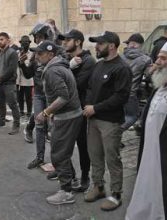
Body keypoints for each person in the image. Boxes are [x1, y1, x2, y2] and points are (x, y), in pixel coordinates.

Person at [126, 42, 167, 220]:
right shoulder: (161, 81)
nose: (157, 61)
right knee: (148, 193)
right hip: (150, 155)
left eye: (163, 58)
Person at [29, 41, 83, 205]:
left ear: (50, 55)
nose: (37, 57)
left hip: (67, 117)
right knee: (62, 151)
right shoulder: (59, 66)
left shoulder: (53, 71)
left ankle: (66, 192)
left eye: (40, 53)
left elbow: (63, 97)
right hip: (67, 116)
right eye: (36, 53)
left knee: (58, 154)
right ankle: (70, 180)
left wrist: (45, 113)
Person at [83, 31, 132, 211]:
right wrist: (88, 104)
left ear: (111, 46)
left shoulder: (121, 68)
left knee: (112, 159)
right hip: (94, 120)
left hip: (110, 122)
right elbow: (90, 88)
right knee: (95, 156)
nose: (96, 46)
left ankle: (116, 194)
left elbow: (121, 97)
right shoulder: (99, 65)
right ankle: (98, 187)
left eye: (100, 44)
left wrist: (95, 108)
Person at [59, 29, 96, 191]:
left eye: (68, 40)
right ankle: (70, 174)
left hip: (80, 109)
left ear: (78, 42)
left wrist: (68, 68)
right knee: (64, 144)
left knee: (82, 144)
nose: (64, 43)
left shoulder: (88, 61)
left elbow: (76, 85)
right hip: (65, 107)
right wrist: (68, 65)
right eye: (63, 40)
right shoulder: (66, 58)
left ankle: (85, 176)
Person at [20, 23, 53, 171]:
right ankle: (39, 158)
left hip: (53, 95)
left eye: (39, 37)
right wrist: (21, 64)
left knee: (55, 128)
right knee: (39, 125)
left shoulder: (54, 52)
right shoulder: (35, 54)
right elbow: (29, 74)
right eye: (36, 38)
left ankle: (59, 162)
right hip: (39, 94)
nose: (37, 40)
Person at [120, 33, 152, 132]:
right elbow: (149, 75)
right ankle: (116, 133)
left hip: (116, 92)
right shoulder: (146, 59)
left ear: (132, 45)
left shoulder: (120, 57)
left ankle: (115, 137)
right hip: (131, 93)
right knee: (132, 117)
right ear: (140, 45)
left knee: (119, 116)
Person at [0, 32, 20, 135]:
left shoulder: (12, 53)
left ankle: (16, 125)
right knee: (0, 103)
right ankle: (1, 121)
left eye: (2, 39)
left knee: (12, 104)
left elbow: (11, 70)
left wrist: (0, 79)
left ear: (8, 40)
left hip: (9, 83)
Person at [16, 35, 34, 118]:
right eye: (23, 42)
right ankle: (21, 111)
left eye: (26, 42)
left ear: (29, 43)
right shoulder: (17, 53)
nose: (24, 44)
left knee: (28, 97)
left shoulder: (32, 54)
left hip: (28, 79)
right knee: (20, 97)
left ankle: (29, 112)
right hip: (19, 79)